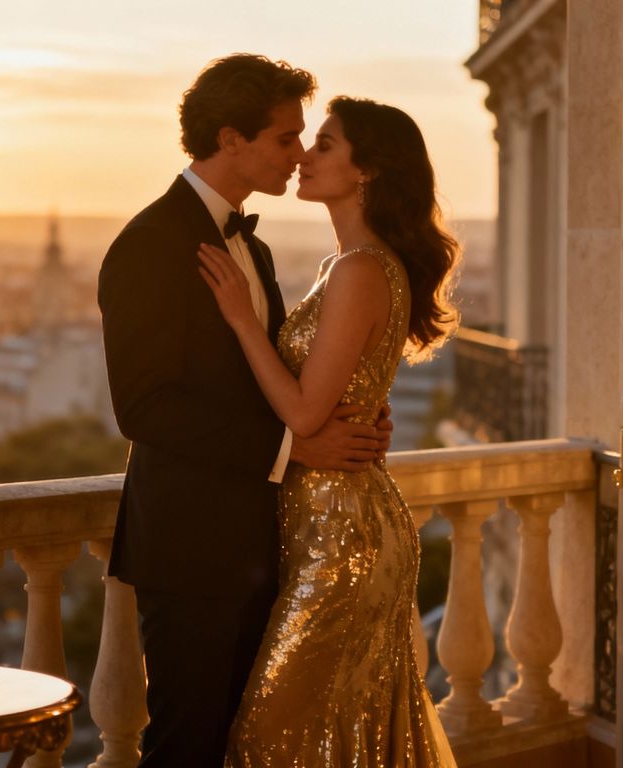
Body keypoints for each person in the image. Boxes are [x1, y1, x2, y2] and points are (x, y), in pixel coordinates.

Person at [97, 55, 393, 768]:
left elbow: (275, 382)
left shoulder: (251, 248)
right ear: (232, 141)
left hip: (263, 548)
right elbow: (145, 410)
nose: (299, 153)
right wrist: (295, 451)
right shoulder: (146, 246)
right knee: (186, 748)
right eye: (286, 138)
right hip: (191, 549)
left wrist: (351, 417)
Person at [197, 96, 461, 767]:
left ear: (367, 170)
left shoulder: (361, 270)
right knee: (330, 737)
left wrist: (241, 321)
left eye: (325, 145)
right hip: (327, 525)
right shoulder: (345, 267)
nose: (305, 158)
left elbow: (307, 415)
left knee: (269, 734)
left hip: (345, 542)